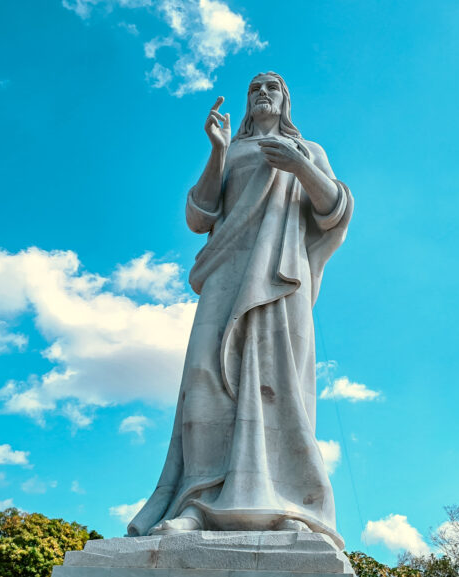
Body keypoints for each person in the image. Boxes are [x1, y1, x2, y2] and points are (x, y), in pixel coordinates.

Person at [128, 72, 353, 549]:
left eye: (272, 87)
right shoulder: (231, 152)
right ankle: (196, 502)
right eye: (255, 89)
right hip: (225, 274)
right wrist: (217, 150)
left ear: (285, 100)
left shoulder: (307, 150)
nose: (262, 93)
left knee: (279, 386)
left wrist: (300, 166)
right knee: (206, 383)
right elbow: (199, 216)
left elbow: (334, 209)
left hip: (280, 276)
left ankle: (290, 506)